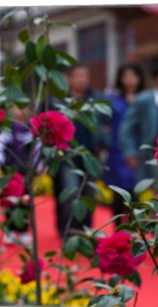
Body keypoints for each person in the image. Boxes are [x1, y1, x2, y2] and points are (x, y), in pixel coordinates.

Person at [50, 65, 99, 241]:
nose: (82, 80)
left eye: (85, 75)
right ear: (68, 78)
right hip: (66, 157)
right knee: (70, 193)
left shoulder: (94, 101)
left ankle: (85, 232)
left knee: (88, 194)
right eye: (78, 76)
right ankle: (68, 232)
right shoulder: (57, 102)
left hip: (89, 156)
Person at [101, 64, 145, 225]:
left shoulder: (145, 100)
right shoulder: (113, 101)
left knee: (136, 194)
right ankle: (118, 233)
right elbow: (104, 123)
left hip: (139, 153)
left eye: (133, 76)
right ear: (120, 79)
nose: (130, 80)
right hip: (117, 153)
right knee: (118, 195)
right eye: (126, 76)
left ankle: (135, 232)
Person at [0, 107, 37, 246]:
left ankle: (23, 230)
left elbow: (36, 150)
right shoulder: (7, 129)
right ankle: (9, 229)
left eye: (22, 108)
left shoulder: (31, 129)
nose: (20, 112)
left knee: (25, 202)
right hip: (9, 172)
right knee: (8, 202)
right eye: (17, 108)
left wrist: (35, 167)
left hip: (25, 173)